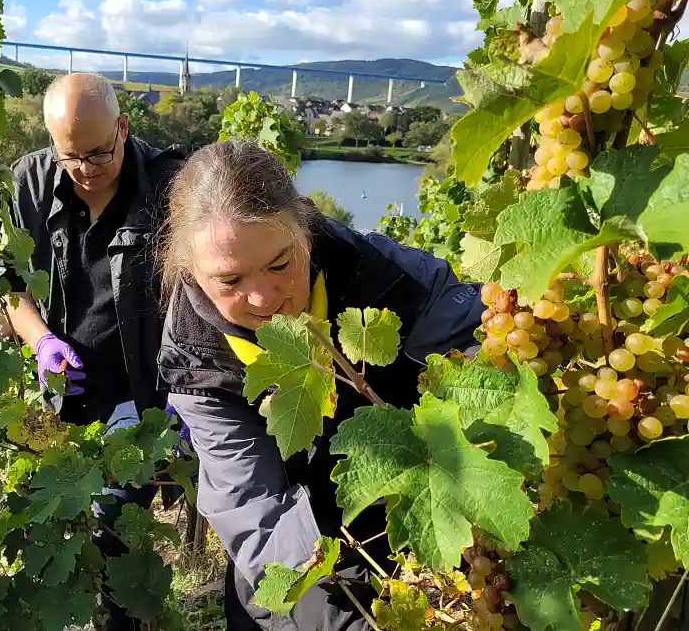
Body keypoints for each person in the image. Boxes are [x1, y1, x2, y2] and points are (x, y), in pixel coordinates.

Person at [157, 139, 484, 630]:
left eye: (280, 264)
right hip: (296, 567)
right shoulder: (197, 359)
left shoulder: (394, 282)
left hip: (416, 540)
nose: (265, 297)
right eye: (229, 281)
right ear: (191, 273)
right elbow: (257, 515)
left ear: (306, 233)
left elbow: (483, 360)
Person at [0, 73, 183, 630]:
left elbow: (203, 293)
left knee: (114, 539)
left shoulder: (171, 187)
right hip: (55, 402)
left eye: (99, 152)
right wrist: (40, 340)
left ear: (124, 127)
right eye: (70, 156)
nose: (85, 169)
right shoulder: (28, 182)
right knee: (53, 534)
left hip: (137, 401)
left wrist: (177, 392)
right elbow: (6, 282)